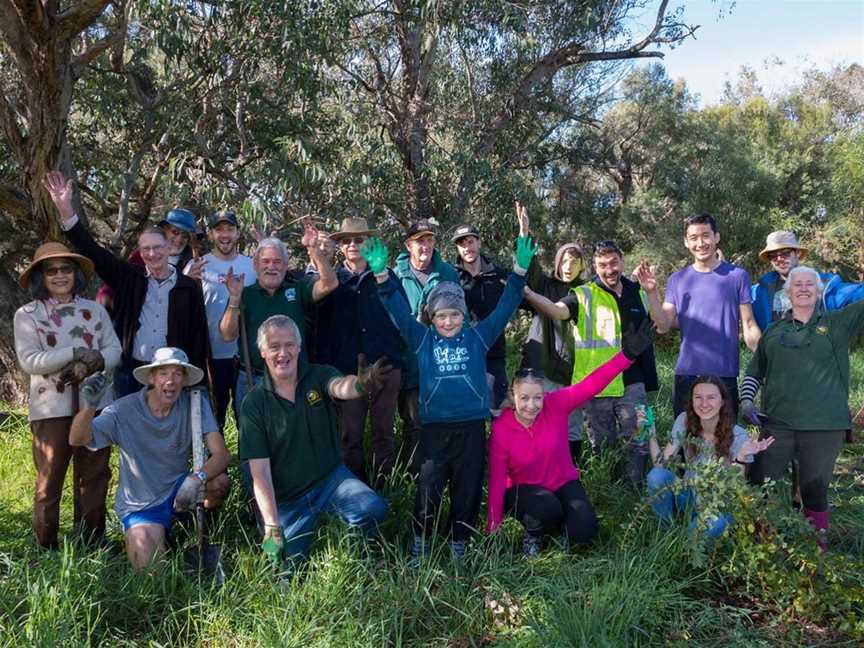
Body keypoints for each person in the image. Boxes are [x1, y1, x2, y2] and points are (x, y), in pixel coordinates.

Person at [363, 233, 536, 560]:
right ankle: (420, 546)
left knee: (467, 489)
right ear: (432, 316)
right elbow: (397, 309)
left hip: (471, 428)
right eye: (441, 316)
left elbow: (506, 305)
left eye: (454, 315)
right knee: (428, 489)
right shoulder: (422, 339)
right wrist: (381, 275)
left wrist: (520, 270)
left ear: (463, 315)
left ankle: (460, 545)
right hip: (434, 429)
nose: (448, 321)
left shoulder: (478, 337)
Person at [486, 321, 654, 556]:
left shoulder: (556, 405)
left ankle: (558, 528)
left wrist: (627, 355)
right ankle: (533, 535)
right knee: (546, 506)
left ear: (545, 395)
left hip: (562, 483)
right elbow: (496, 480)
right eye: (524, 398)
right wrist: (492, 529)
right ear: (513, 397)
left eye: (537, 398)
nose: (531, 406)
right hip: (523, 492)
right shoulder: (502, 428)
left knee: (585, 531)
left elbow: (592, 383)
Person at [239, 315, 389, 574]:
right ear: (262, 352)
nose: (282, 353)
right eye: (274, 346)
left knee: (372, 508)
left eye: (289, 345)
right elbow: (260, 473)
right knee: (283, 571)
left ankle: (354, 558)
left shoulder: (319, 375)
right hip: (288, 500)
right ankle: (297, 535)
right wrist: (272, 526)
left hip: (331, 482)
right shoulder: (253, 404)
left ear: (299, 347)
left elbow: (341, 387)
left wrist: (362, 384)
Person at [44, 171, 211, 399]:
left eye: (158, 248)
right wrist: (66, 211)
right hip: (130, 374)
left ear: (167, 249)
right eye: (146, 249)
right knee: (129, 431)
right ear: (140, 253)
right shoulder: (129, 277)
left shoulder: (188, 286)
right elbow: (92, 251)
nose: (153, 254)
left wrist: (198, 383)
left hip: (171, 375)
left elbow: (198, 334)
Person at [68, 347, 231, 569]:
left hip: (180, 490)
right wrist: (89, 407)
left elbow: (221, 454)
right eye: (163, 373)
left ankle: (192, 530)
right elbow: (77, 439)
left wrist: (196, 479)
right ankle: (161, 538)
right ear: (152, 378)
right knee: (153, 575)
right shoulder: (123, 411)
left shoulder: (194, 402)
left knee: (220, 483)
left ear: (184, 379)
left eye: (177, 374)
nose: (171, 381)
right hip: (142, 506)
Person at [741, 266, 864, 550]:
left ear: (819, 290)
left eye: (811, 284)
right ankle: (763, 553)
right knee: (762, 486)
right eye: (798, 284)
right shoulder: (773, 332)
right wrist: (747, 400)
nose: (805, 288)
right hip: (776, 425)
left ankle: (815, 557)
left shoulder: (837, 323)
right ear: (788, 291)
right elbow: (754, 372)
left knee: (814, 491)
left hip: (824, 426)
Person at [14, 242, 122, 549]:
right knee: (50, 479)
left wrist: (94, 361)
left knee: (94, 475)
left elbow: (114, 349)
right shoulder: (28, 315)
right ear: (41, 277)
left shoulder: (94, 310)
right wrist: (74, 353)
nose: (60, 275)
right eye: (51, 271)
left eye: (65, 269)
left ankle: (90, 541)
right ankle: (45, 545)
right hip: (51, 408)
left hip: (94, 405)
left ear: (75, 273)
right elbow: (30, 359)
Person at [524, 240, 660, 485]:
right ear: (595, 267)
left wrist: (652, 292)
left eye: (614, 263)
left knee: (638, 440)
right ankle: (610, 494)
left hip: (634, 382)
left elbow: (660, 323)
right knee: (603, 448)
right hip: (596, 387)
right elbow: (557, 311)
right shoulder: (584, 294)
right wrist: (530, 294)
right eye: (603, 265)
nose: (610, 269)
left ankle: (634, 492)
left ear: (622, 261)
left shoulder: (638, 292)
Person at [636, 213, 761, 416]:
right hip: (687, 375)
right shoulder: (678, 279)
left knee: (724, 443)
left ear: (716, 237)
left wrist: (767, 358)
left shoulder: (737, 276)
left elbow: (748, 324)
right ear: (686, 242)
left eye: (706, 235)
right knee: (686, 443)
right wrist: (651, 292)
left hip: (725, 374)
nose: (700, 243)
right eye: (694, 238)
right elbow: (663, 325)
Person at [314, 217, 406, 487]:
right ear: (341, 246)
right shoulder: (332, 280)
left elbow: (402, 316)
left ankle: (384, 487)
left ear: (369, 242)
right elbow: (320, 326)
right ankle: (353, 488)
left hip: (386, 365)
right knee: (349, 434)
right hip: (347, 370)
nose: (353, 244)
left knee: (383, 432)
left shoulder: (386, 275)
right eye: (347, 240)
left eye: (359, 239)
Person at [219, 224, 338, 407]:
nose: (271, 267)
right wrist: (234, 299)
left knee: (296, 434)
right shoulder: (244, 294)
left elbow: (329, 284)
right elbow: (227, 335)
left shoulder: (298, 289)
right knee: (253, 435)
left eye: (277, 262)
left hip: (295, 380)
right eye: (265, 262)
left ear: (285, 265)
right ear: (255, 265)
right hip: (253, 380)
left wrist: (313, 249)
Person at [646, 376, 772, 538]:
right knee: (656, 476)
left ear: (723, 402)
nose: (704, 404)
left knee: (715, 522)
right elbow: (661, 466)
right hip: (689, 496)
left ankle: (685, 544)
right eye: (698, 397)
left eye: (711, 397)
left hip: (719, 505)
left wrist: (740, 456)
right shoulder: (684, 420)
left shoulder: (739, 435)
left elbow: (736, 491)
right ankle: (663, 532)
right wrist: (650, 435)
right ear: (691, 401)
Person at [518, 204, 587, 460]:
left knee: (571, 427)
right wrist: (525, 233)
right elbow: (529, 267)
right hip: (541, 367)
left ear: (582, 266)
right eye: (565, 261)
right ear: (558, 263)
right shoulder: (543, 285)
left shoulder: (586, 292)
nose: (569, 266)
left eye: (575, 262)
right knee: (535, 420)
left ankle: (571, 474)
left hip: (573, 371)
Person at [391, 219, 461, 472]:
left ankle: (443, 472)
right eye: (420, 241)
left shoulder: (447, 274)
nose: (425, 246)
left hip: (441, 362)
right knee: (413, 424)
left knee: (442, 420)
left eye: (429, 240)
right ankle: (412, 478)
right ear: (409, 245)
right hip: (408, 362)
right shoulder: (395, 275)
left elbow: (458, 316)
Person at [193, 210, 256, 430]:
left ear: (238, 233)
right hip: (210, 357)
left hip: (244, 357)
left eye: (230, 229)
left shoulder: (252, 266)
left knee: (248, 420)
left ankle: (249, 464)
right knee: (214, 421)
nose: (225, 235)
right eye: (219, 229)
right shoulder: (198, 266)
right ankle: (216, 464)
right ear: (210, 235)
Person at [451, 223, 518, 408]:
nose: (467, 248)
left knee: (498, 410)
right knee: (468, 411)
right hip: (463, 354)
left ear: (479, 243)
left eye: (470, 242)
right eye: (462, 244)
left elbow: (513, 301)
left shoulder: (499, 275)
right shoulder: (451, 276)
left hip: (494, 354)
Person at [751, 230, 864, 331]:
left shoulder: (823, 286)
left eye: (785, 253)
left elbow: (853, 293)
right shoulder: (759, 292)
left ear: (797, 253)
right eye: (773, 256)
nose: (779, 259)